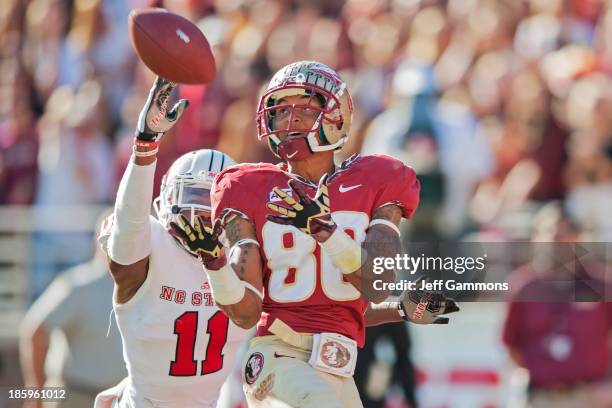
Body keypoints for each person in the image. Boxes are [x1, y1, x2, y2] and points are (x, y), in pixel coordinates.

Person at [173, 61, 459, 407]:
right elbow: (246, 313)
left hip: (337, 369)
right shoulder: (247, 187)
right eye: (281, 111)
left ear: (337, 117)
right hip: (278, 359)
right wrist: (215, 262)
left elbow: (373, 285)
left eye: (305, 109)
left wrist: (397, 308)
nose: (290, 121)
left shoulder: (378, 178)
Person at [94, 77, 250, 408]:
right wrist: (146, 147)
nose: (204, 213)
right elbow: (128, 237)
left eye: (216, 202)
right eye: (194, 196)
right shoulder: (151, 245)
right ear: (165, 200)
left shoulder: (247, 260)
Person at [502, 203, 612, 408]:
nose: (559, 242)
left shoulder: (602, 283)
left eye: (567, 233)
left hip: (591, 397)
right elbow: (512, 344)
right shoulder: (524, 286)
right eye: (552, 234)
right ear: (536, 238)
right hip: (542, 397)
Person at [19, 212, 125, 408]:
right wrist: (35, 391)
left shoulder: (143, 287)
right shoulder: (78, 285)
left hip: (122, 399)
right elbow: (35, 331)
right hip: (76, 397)